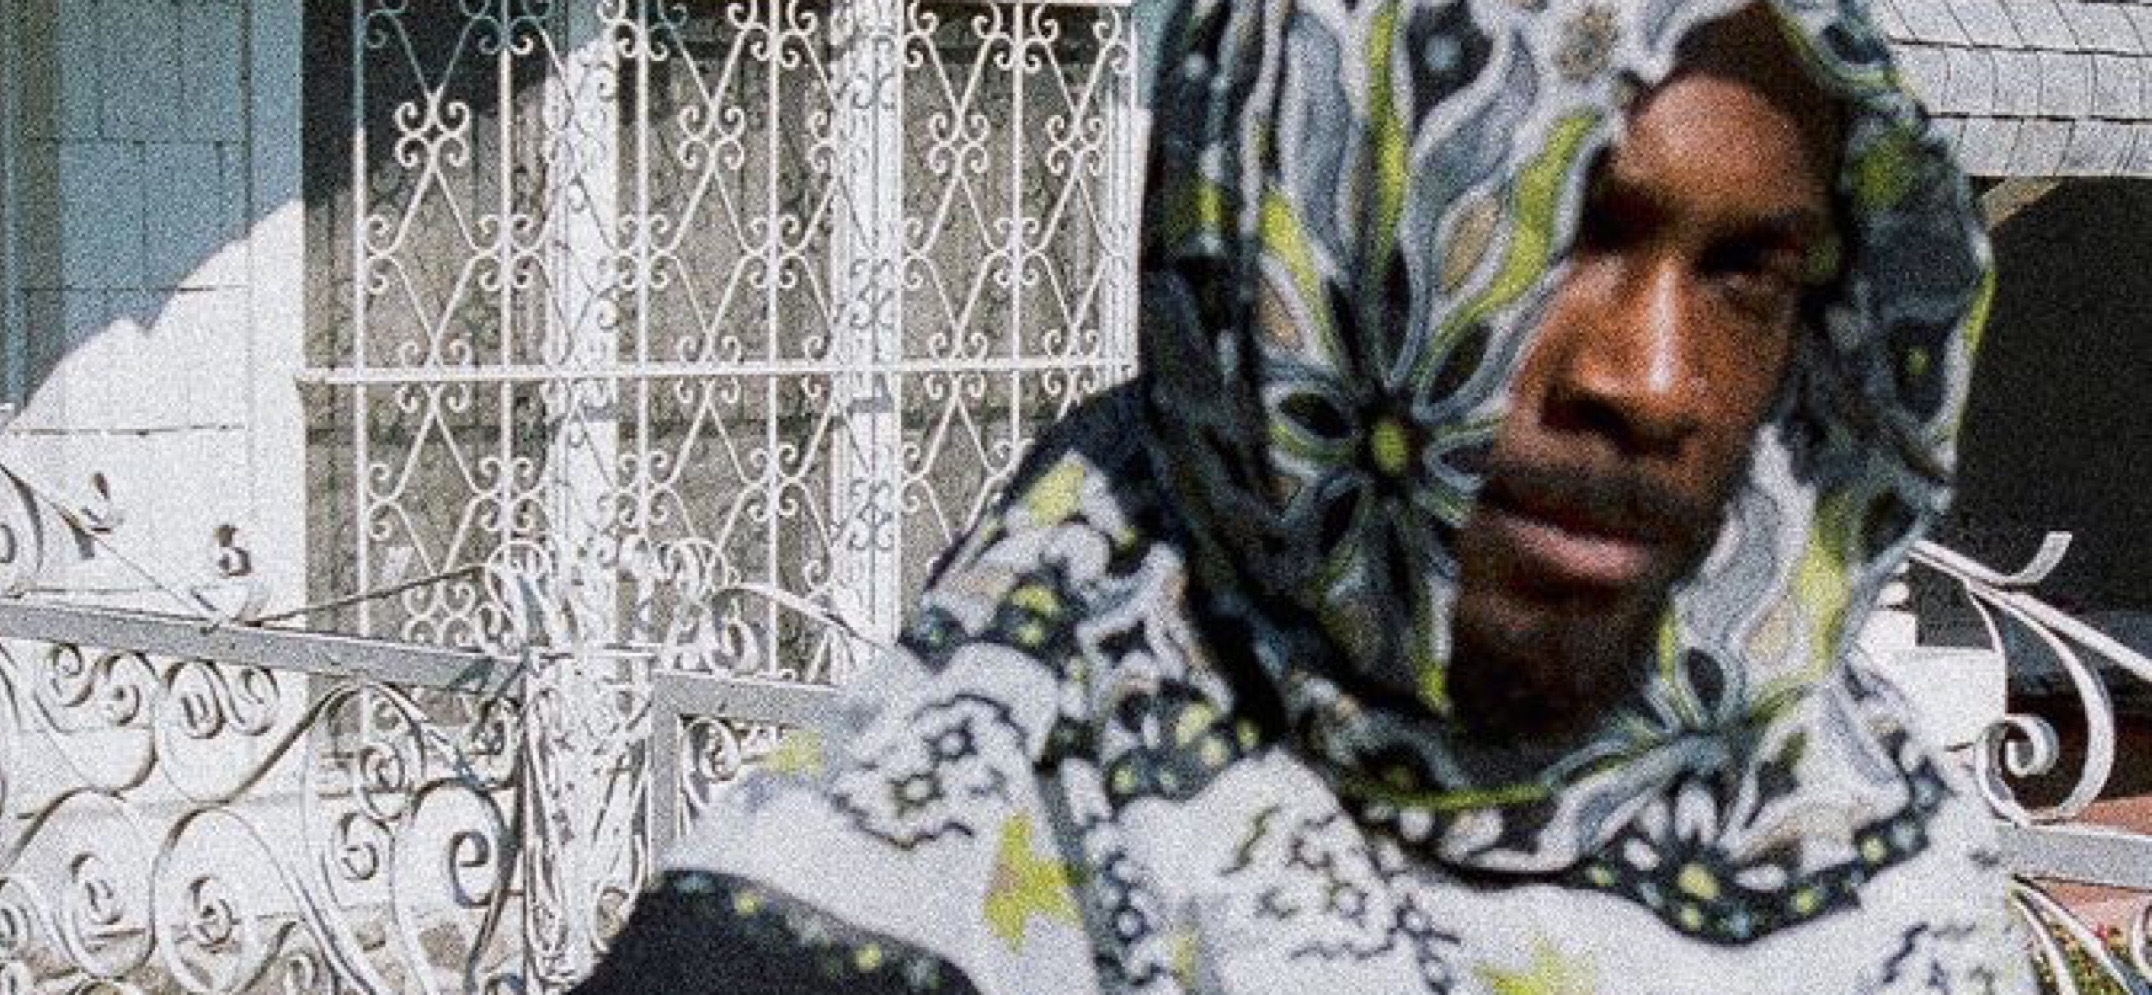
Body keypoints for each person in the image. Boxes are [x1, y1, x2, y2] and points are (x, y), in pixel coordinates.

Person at [576, 0, 2028, 991]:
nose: (1654, 381)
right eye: (1544, 236)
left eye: (1747, 273)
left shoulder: (1875, 849)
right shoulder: (883, 913)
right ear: (1298, 240)